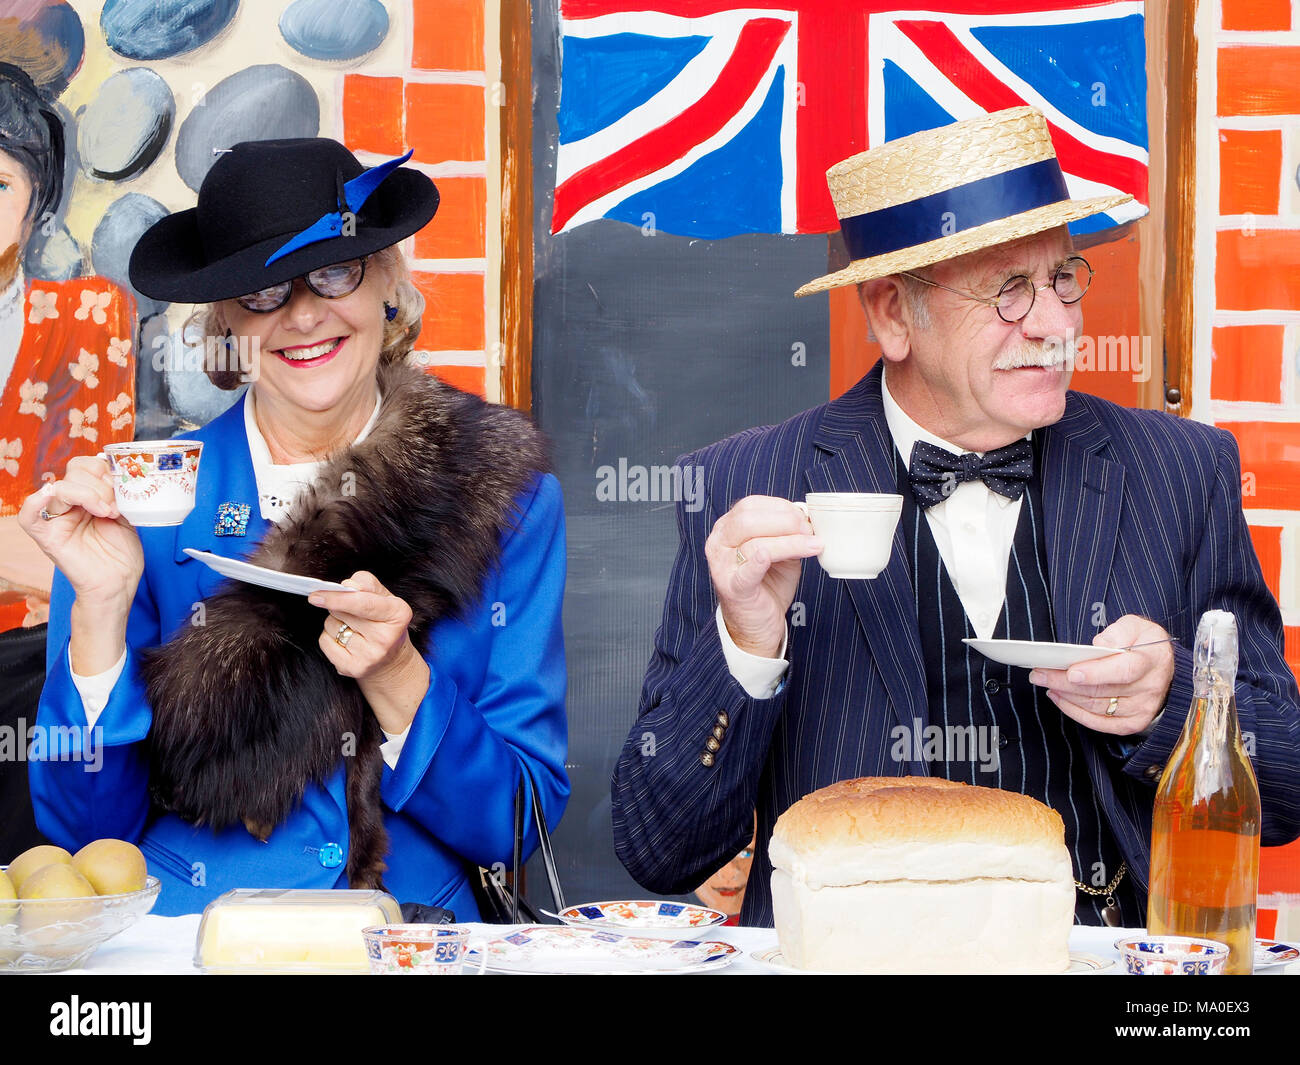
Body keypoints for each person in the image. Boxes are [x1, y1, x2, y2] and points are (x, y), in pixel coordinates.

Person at [611, 107, 1300, 927]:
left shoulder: (1181, 472)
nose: (1055, 325)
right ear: (893, 314)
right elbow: (661, 847)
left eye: (1061, 278)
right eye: (1008, 290)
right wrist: (748, 647)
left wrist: (1174, 702)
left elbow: (1286, 785)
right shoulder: (744, 486)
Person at [19, 138, 568, 917]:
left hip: (409, 946)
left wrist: (399, 679)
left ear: (387, 284)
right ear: (226, 322)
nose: (305, 313)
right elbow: (86, 835)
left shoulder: (506, 497)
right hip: (200, 943)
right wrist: (101, 613)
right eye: (264, 289)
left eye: (334, 271)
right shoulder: (142, 503)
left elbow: (521, 821)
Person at [0, 62, 135, 855]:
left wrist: (44, 555)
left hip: (37, 666)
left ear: (38, 197)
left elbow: (83, 541)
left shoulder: (90, 317)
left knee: (46, 894)